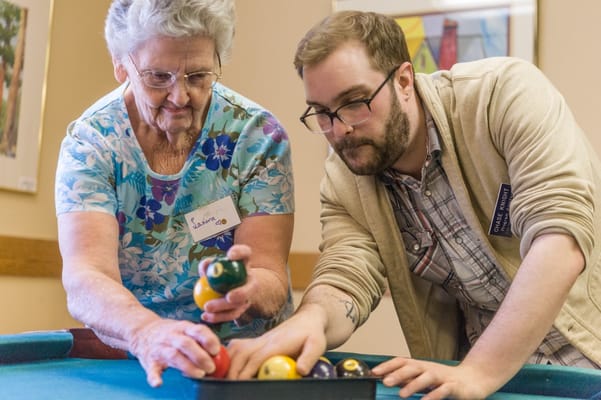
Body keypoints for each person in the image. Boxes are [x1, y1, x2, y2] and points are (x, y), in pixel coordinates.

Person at [226, 10, 601, 399]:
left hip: (584, 362)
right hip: (488, 381)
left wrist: (479, 371)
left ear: (404, 80)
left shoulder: (502, 94)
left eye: (354, 102)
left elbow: (560, 239)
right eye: (322, 113)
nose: (340, 130)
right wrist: (312, 319)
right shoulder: (344, 177)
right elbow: (347, 275)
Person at [54, 0, 294, 388]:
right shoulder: (92, 143)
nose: (180, 96)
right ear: (121, 66)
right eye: (158, 77)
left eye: (198, 75)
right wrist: (148, 333)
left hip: (243, 365)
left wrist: (250, 291)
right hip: (137, 358)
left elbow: (269, 272)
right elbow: (86, 275)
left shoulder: (257, 137)